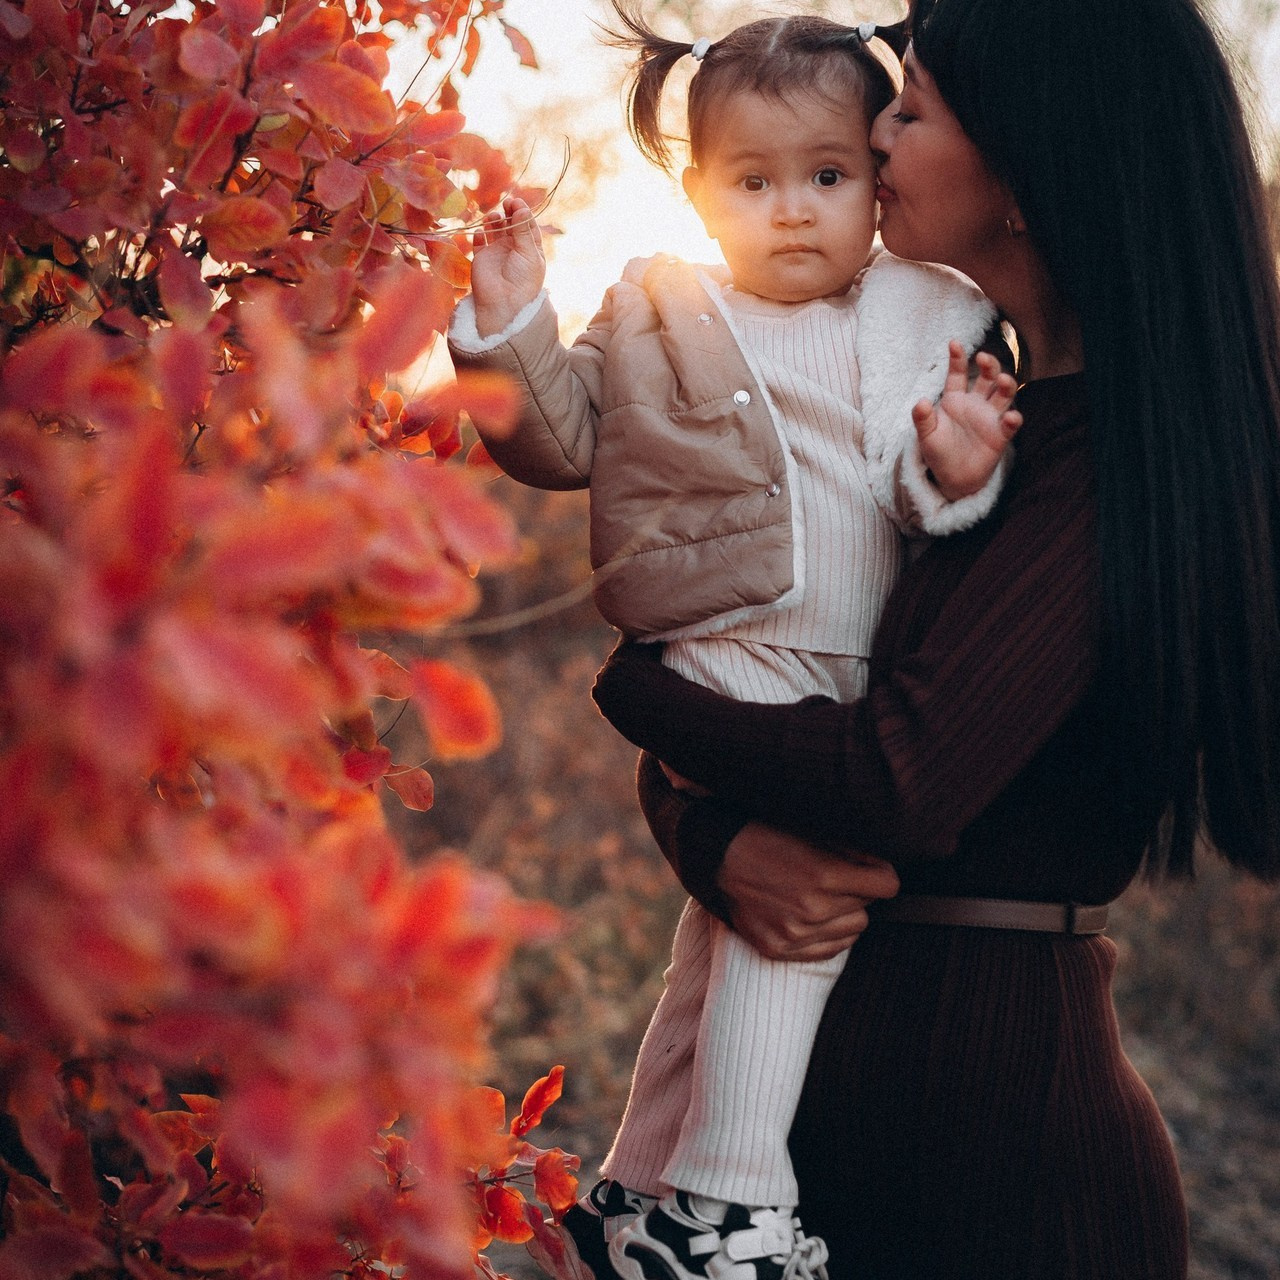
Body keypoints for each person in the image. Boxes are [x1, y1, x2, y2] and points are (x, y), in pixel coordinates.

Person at [590, 0, 1280, 1276]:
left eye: (906, 108)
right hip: (851, 1142)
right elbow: (785, 677)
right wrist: (707, 829)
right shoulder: (959, 414)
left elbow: (891, 776)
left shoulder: (1106, 469)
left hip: (1002, 1179)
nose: (878, 137)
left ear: (1022, 169)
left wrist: (637, 694)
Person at [448, 5, 1025, 1278]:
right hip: (732, 650)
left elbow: (936, 500)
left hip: (853, 661)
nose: (792, 210)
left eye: (825, 176)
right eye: (750, 183)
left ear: (874, 182)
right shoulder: (660, 307)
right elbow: (558, 437)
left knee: (722, 929)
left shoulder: (922, 310)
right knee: (788, 922)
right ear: (698, 194)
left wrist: (956, 465)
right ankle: (729, 1200)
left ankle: (639, 1189)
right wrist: (505, 324)